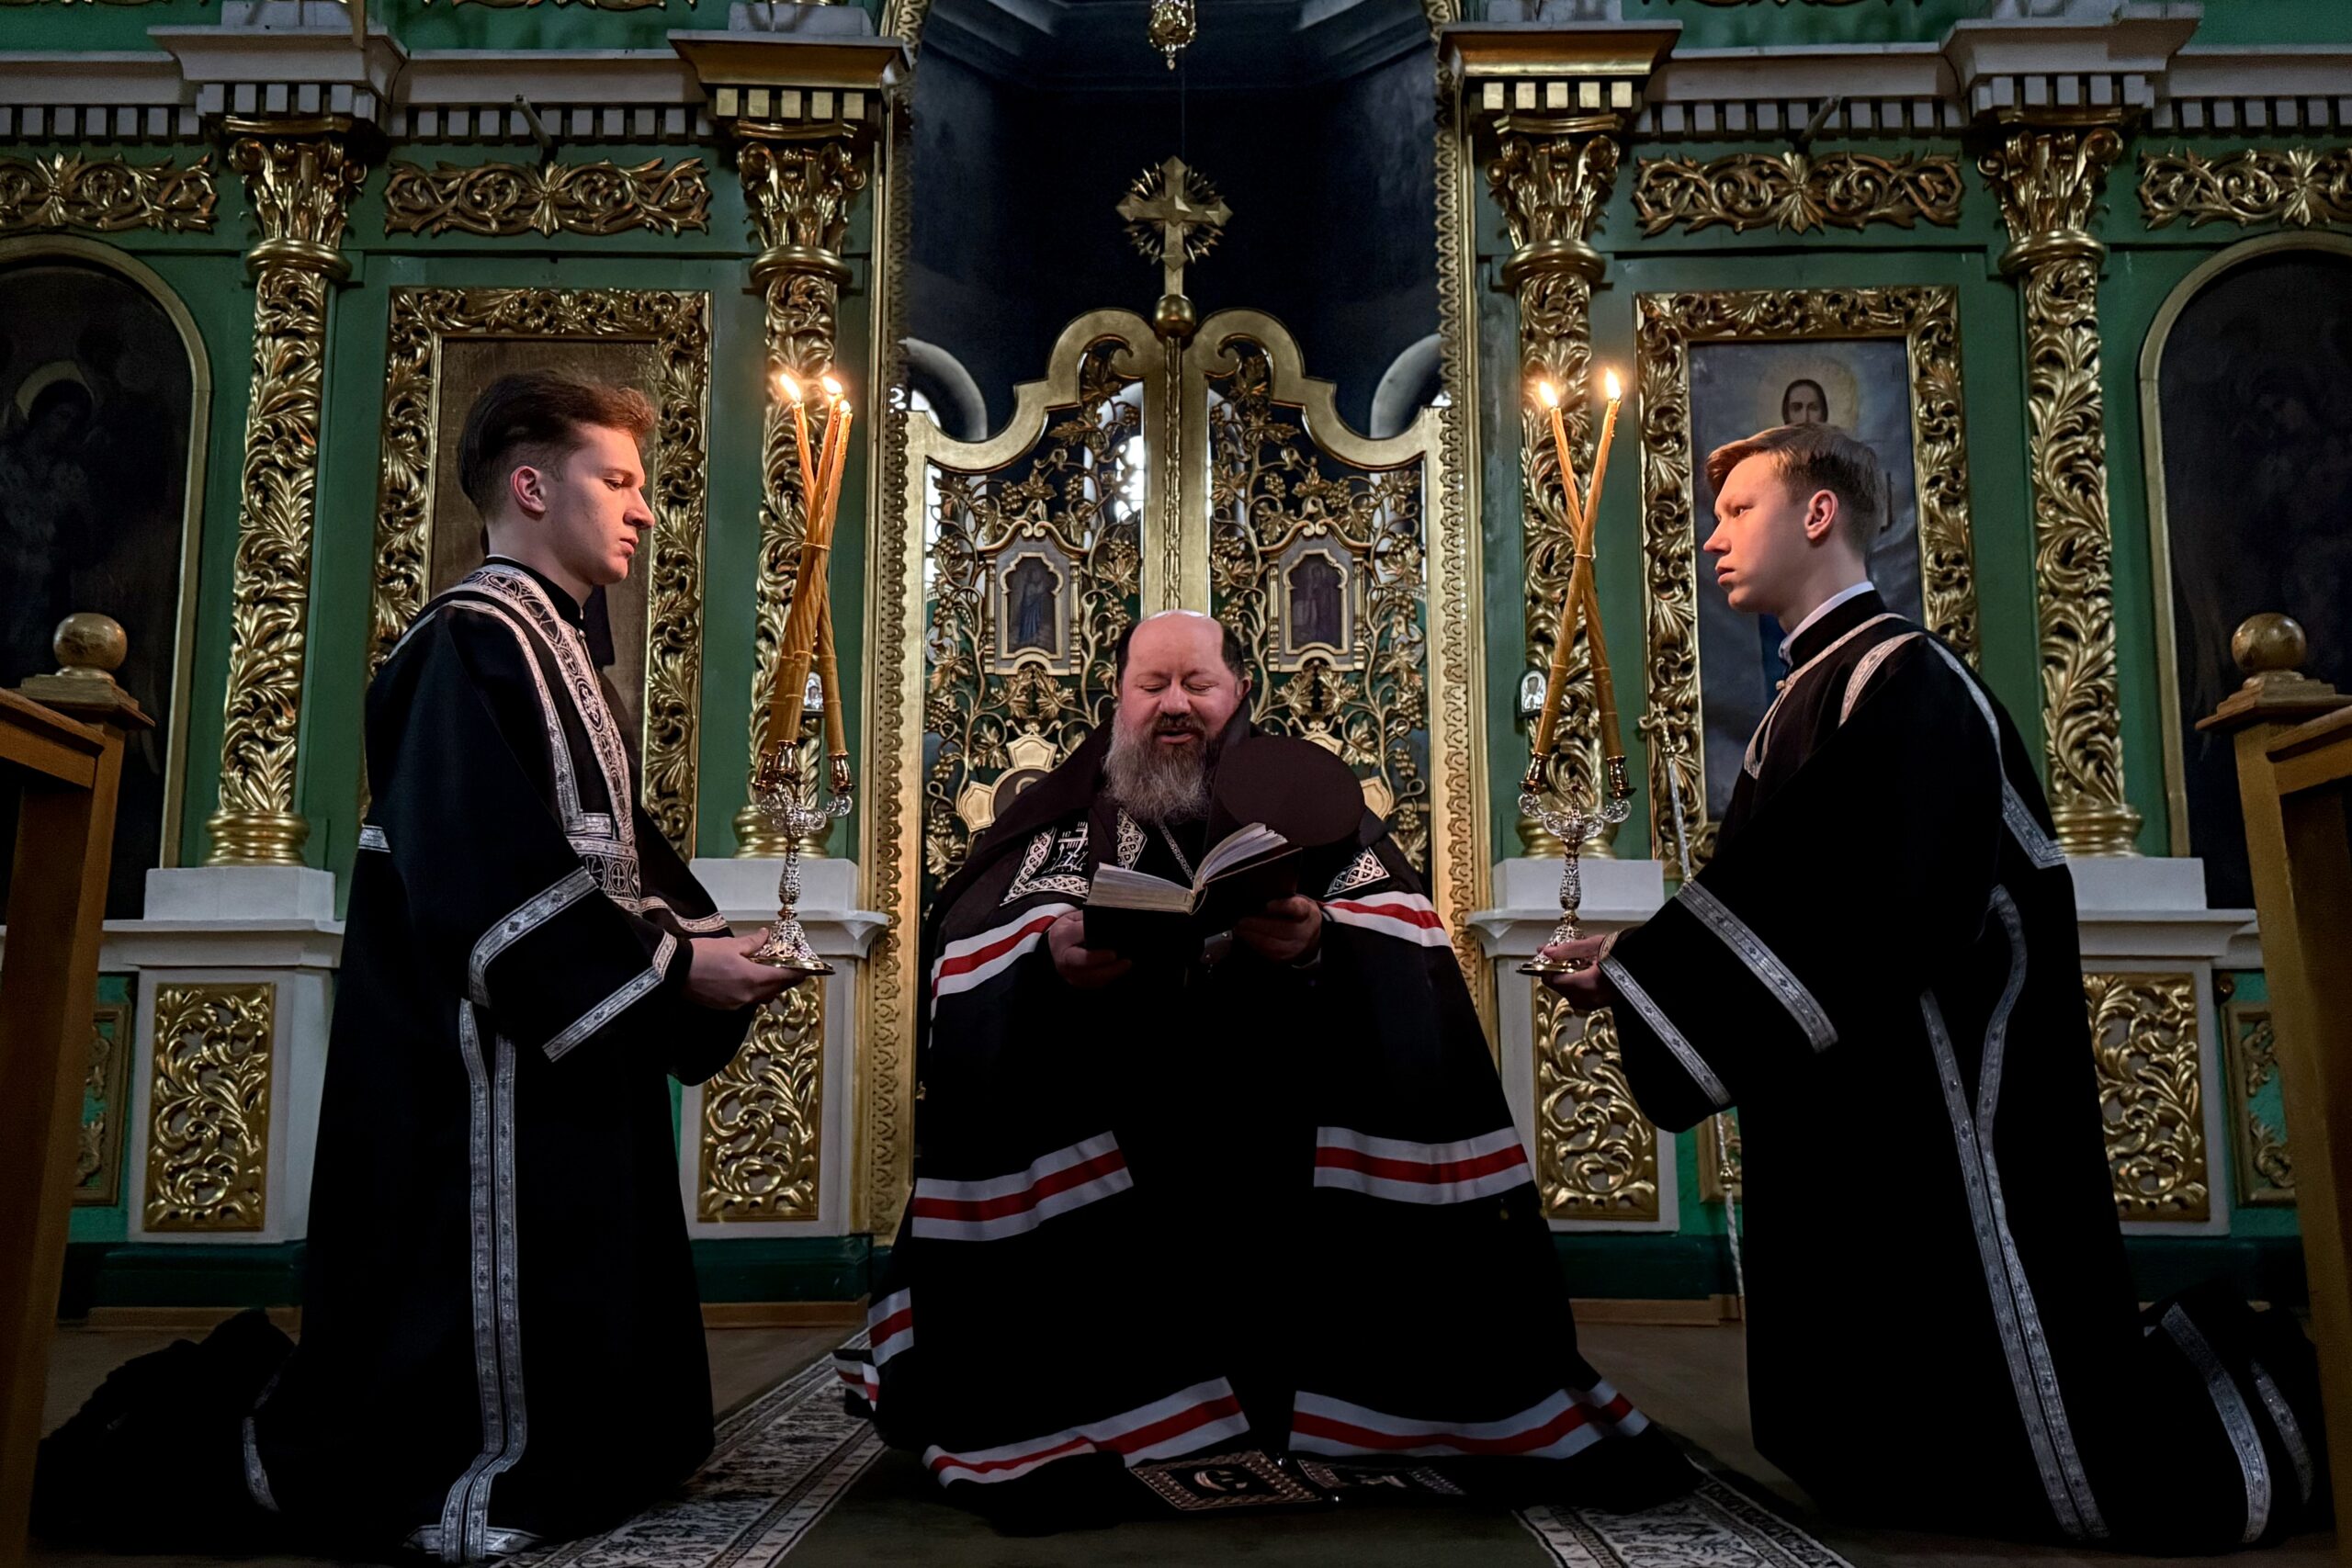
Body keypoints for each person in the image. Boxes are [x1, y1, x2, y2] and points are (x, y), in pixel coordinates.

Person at [35, 372, 802, 1562]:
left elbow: (602, 859)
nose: (643, 509)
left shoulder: (560, 652)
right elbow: (482, 873)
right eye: (617, 480)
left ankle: (592, 1449)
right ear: (532, 487)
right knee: (461, 1334)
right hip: (474, 1071)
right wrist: (666, 969)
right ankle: (478, 1474)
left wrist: (690, 942)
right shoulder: (467, 640)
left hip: (552, 1048)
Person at [1538, 423, 2326, 1549]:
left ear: (1818, 514)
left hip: (1946, 1082)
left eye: (1738, 510)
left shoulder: (1904, 677)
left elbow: (1876, 896)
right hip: (1871, 1072)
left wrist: (1651, 969)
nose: (1712, 538)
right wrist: (1640, 963)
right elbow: (1790, 898)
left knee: (2048, 1408)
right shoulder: (1813, 690)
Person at [834, 609, 1692, 1525]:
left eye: (1196, 684)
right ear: (1116, 697)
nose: (1174, 704)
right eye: (1151, 685)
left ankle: (1311, 1395)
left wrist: (1321, 940)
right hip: (1113, 1133)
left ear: (1238, 692)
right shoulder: (1057, 816)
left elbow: (1405, 936)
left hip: (1282, 1136)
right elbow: (976, 938)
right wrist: (1048, 956)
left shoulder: (1303, 801)